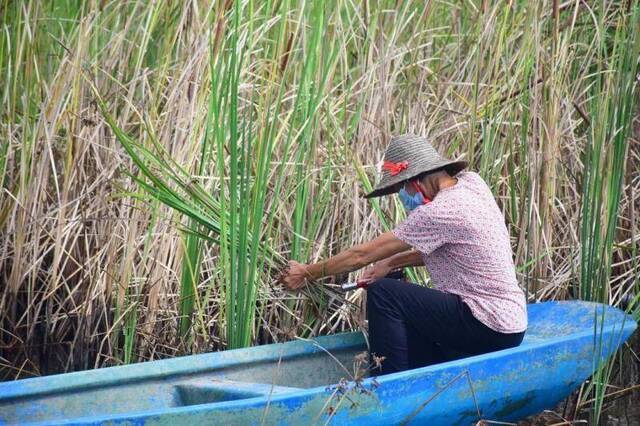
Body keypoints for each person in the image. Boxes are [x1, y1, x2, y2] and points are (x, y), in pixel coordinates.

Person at [277, 134, 527, 375]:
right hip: (511, 322)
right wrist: (392, 262)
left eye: (401, 187)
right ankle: (420, 369)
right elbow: (459, 249)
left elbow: (361, 255)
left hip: (486, 324)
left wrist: (307, 273)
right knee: (399, 289)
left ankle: (389, 384)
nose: (402, 195)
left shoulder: (438, 212)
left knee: (384, 293)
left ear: (416, 179)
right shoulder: (473, 184)